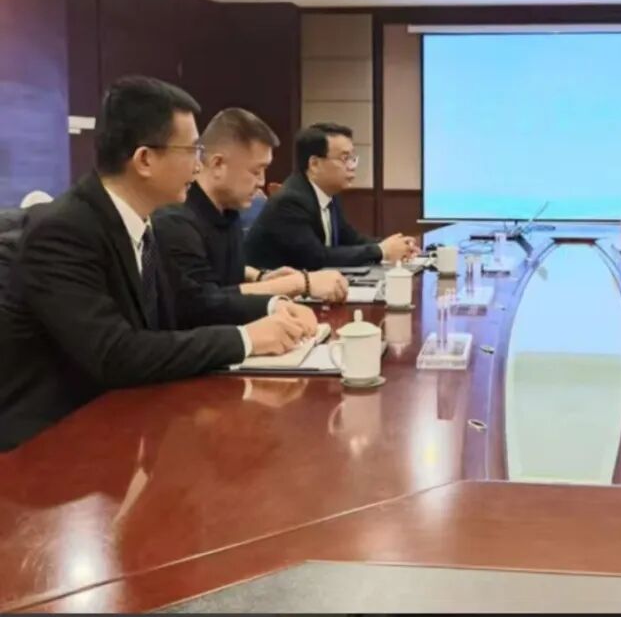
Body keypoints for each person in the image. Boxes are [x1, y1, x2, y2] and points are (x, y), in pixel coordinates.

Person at [0, 77, 317, 451]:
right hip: (51, 444)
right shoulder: (64, 231)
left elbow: (188, 304)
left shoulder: (141, 222)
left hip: (124, 418)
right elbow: (115, 353)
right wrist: (246, 339)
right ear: (145, 160)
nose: (198, 165)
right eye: (192, 150)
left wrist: (272, 308)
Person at [153, 108, 348, 303]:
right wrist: (300, 283)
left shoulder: (227, 209)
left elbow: (220, 273)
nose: (262, 182)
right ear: (218, 164)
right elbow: (205, 301)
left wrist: (259, 277)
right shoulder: (176, 220)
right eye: (256, 171)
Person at [245, 123, 419, 270]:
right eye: (345, 158)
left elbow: (351, 239)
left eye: (353, 158)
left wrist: (395, 245)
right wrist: (381, 251)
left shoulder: (328, 194)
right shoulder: (290, 201)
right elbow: (316, 258)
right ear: (314, 164)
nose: (352, 166)